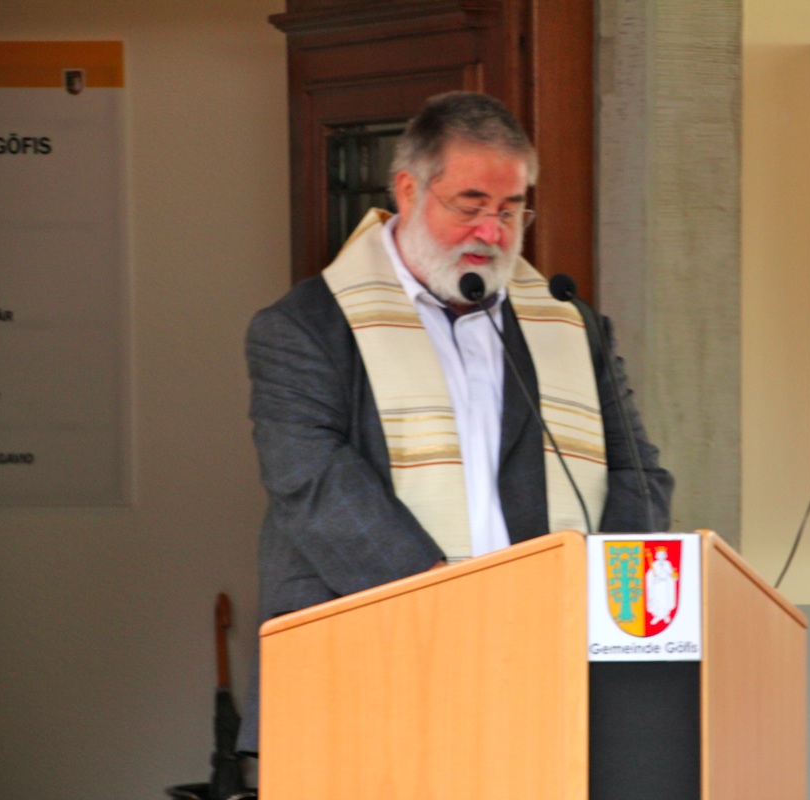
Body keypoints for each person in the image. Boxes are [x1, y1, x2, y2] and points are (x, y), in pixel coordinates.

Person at [236, 91, 672, 754]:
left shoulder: (568, 324)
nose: (492, 233)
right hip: (365, 658)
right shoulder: (305, 327)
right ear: (408, 191)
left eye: (511, 209)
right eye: (470, 206)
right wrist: (447, 607)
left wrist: (608, 610)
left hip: (546, 662)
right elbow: (310, 481)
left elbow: (639, 473)